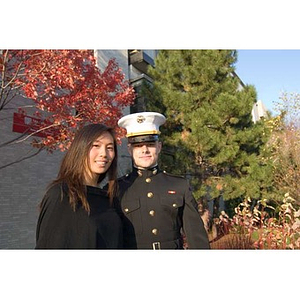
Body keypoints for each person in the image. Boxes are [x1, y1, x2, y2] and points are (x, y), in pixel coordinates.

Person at [117, 112, 210, 249]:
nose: (145, 150)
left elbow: (196, 235)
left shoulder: (179, 185)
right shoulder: (118, 189)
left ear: (159, 147)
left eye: (150, 144)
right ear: (129, 149)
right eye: (138, 146)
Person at [35, 124, 123, 249]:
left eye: (110, 148)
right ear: (81, 148)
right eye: (96, 146)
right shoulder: (62, 194)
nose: (104, 154)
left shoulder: (109, 198)